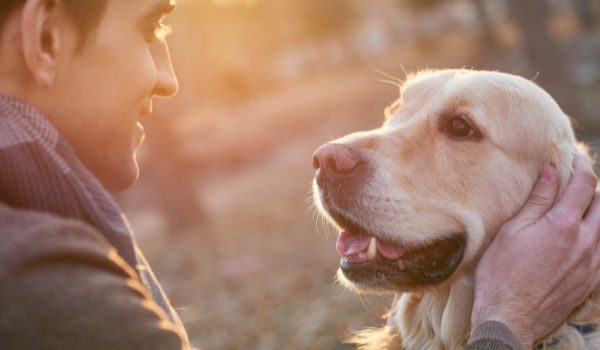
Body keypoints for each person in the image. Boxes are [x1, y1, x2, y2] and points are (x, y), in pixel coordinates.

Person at [0, 1, 597, 350]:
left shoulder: (46, 225)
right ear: (45, 39)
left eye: (460, 129)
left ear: (564, 195)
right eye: (151, 29)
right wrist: (507, 325)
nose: (169, 78)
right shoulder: (40, 278)